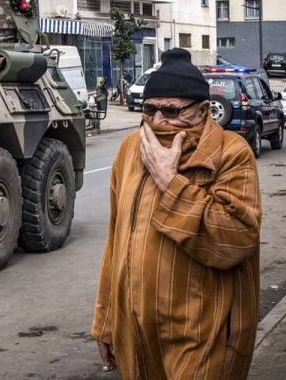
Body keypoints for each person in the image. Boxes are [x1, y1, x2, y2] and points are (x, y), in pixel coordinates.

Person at [92, 48, 261, 379]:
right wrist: (106, 321)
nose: (158, 122)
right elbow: (115, 241)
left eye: (170, 111)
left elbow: (238, 239)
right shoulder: (130, 149)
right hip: (136, 334)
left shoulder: (230, 153)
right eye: (149, 109)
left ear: (202, 111)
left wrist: (170, 183)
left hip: (203, 337)